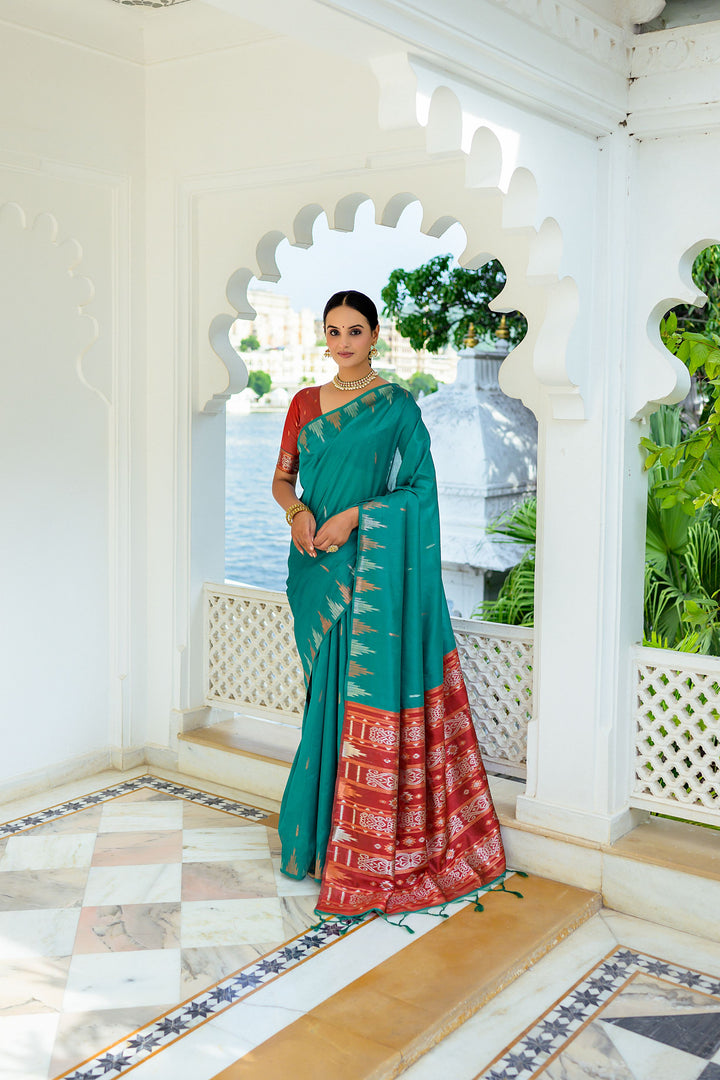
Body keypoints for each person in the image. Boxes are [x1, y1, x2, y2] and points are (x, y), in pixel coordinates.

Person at [271, 289, 506, 920]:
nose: (342, 342)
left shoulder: (398, 407)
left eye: (354, 330)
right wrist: (297, 512)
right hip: (316, 563)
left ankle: (363, 843)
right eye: (332, 330)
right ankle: (320, 838)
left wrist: (356, 517)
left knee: (354, 694)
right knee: (324, 697)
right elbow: (283, 477)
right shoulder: (301, 404)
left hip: (366, 564)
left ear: (375, 335)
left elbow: (421, 490)